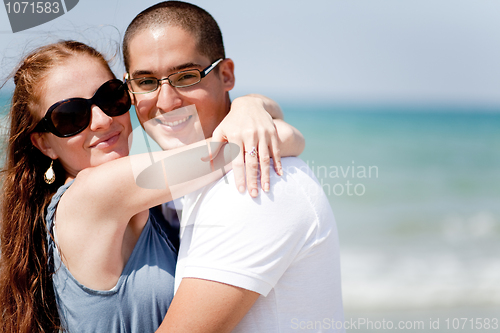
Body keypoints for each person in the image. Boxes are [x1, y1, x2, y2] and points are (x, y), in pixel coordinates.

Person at [0, 40, 304, 332]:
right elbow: (235, 150)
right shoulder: (93, 192)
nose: (103, 120)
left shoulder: (142, 199)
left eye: (110, 97)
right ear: (44, 144)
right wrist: (250, 107)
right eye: (70, 116)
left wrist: (250, 108)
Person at [123, 1, 344, 332]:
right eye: (146, 82)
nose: (166, 102)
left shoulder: (254, 185)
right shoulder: (184, 182)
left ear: (225, 75)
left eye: (186, 76)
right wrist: (254, 103)